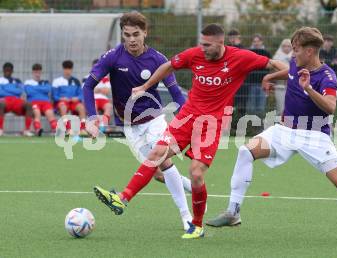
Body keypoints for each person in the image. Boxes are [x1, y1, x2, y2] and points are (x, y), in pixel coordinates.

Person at [93, 23, 288, 239]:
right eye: (201, 44)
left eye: (207, 45)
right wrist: (145, 87)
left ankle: (196, 225)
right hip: (186, 117)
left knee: (195, 173)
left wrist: (277, 77)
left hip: (211, 124)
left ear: (220, 43)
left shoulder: (241, 57)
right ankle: (123, 198)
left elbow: (276, 64)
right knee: (157, 154)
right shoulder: (195, 54)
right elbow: (168, 66)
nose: (202, 48)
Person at [206, 27, 337, 244]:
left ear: (309, 51)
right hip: (284, 131)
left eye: (296, 50)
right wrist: (270, 76)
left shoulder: (327, 76)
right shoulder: (297, 63)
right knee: (246, 152)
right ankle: (233, 212)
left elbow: (330, 107)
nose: (293, 54)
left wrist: (309, 88)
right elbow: (289, 71)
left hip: (315, 137)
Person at [83, 12, 193, 230]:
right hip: (129, 126)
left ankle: (186, 216)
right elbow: (88, 86)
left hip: (154, 120)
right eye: (127, 35)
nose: (131, 39)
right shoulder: (113, 56)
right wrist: (92, 118)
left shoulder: (158, 59)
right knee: (159, 174)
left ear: (145, 33)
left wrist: (191, 117)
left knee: (159, 160)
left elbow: (177, 93)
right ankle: (195, 187)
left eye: (136, 34)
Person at [52, 60, 87, 135]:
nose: (68, 71)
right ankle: (68, 129)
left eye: (69, 69)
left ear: (72, 70)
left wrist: (77, 98)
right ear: (63, 69)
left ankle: (83, 129)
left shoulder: (76, 81)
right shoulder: (57, 81)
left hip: (73, 102)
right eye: (66, 69)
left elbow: (81, 94)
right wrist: (61, 98)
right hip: (62, 102)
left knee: (81, 107)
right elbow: (54, 96)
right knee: (63, 107)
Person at [24, 63, 58, 136]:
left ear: (41, 72)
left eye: (39, 72)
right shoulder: (28, 82)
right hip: (33, 102)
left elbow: (48, 89)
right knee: (37, 113)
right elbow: (29, 92)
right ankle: (38, 130)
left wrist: (34, 88)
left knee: (50, 114)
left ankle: (55, 130)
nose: (37, 74)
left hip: (45, 102)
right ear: (33, 72)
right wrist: (41, 89)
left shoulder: (45, 82)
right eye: (36, 72)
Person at [0, 62, 33, 136]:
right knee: (0, 104)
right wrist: (13, 91)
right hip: (5, 101)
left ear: (12, 71)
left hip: (16, 101)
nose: (7, 72)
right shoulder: (0, 80)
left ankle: (26, 130)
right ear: (3, 71)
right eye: (6, 71)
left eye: (9, 71)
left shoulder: (17, 80)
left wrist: (5, 88)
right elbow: (0, 92)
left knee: (29, 104)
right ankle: (0, 130)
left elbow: (20, 91)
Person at [245, 34, 272, 119]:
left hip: (262, 83)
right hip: (251, 83)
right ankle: (251, 126)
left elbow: (269, 67)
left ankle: (260, 125)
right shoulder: (249, 52)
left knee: (261, 107)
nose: (256, 43)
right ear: (252, 42)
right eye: (254, 41)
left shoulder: (266, 53)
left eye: (258, 41)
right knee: (251, 107)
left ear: (261, 41)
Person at [83, 59, 112, 131]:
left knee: (109, 106)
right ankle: (96, 125)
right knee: (93, 106)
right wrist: (100, 89)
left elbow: (107, 90)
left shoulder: (104, 78)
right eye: (95, 67)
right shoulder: (86, 77)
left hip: (103, 99)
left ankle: (103, 126)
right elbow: (86, 89)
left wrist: (95, 89)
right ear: (92, 67)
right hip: (92, 98)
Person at [272, 38, 292, 115]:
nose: (286, 48)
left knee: (291, 108)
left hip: (292, 87)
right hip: (280, 86)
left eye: (288, 46)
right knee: (281, 109)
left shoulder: (296, 57)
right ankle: (280, 126)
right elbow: (274, 72)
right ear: (281, 47)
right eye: (284, 46)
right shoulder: (276, 58)